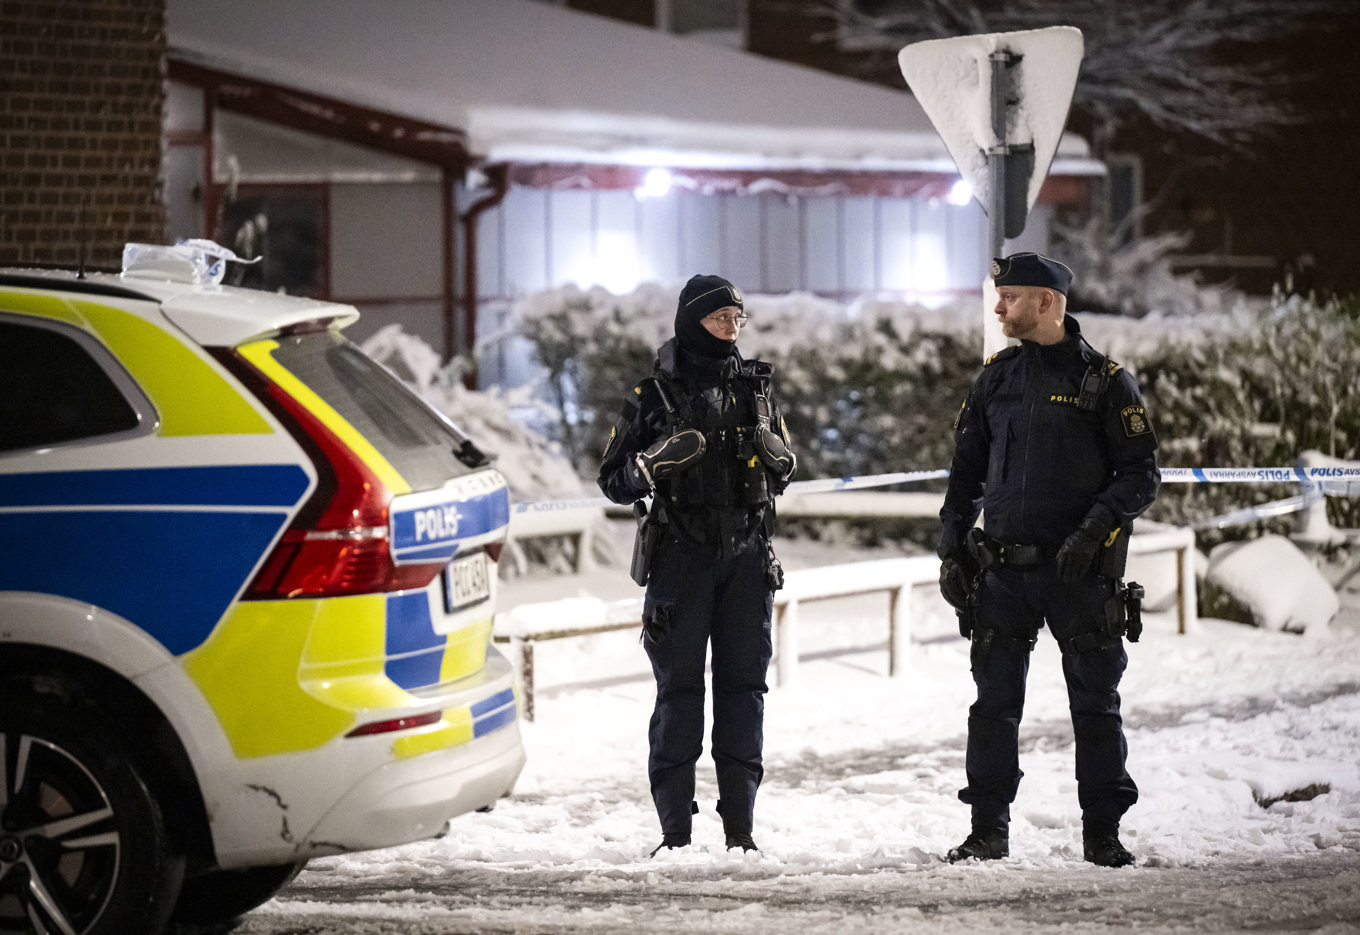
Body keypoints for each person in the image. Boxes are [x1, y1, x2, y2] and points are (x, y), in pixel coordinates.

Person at [936, 252, 1160, 868]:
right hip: (1004, 572)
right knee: (992, 707)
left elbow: (1141, 473)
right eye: (998, 296)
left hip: (1080, 576)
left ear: (1048, 302)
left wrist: (1094, 532)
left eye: (1010, 296)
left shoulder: (1105, 382)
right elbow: (966, 473)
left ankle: (1103, 834)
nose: (999, 306)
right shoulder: (996, 379)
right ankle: (987, 831)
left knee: (1094, 705)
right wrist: (952, 541)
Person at [598, 274, 797, 857]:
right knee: (679, 694)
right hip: (680, 560)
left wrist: (781, 459)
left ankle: (741, 829)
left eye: (738, 318)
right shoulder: (653, 396)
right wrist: (649, 465)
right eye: (719, 319)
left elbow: (784, 465)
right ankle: (675, 833)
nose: (731, 328)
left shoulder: (757, 388)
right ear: (691, 321)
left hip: (745, 558)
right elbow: (612, 479)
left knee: (744, 692)